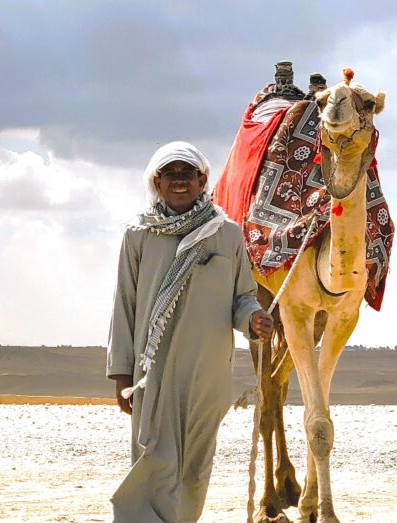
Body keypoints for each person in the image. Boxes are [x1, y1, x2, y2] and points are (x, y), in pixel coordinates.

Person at [106, 141, 274, 522]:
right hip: (153, 374)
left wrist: (254, 319)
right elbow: (124, 305)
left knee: (195, 469)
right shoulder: (138, 235)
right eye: (171, 173)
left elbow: (242, 297)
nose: (180, 181)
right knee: (154, 459)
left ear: (202, 181)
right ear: (157, 181)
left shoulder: (226, 233)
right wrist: (121, 373)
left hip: (207, 372)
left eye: (188, 174)